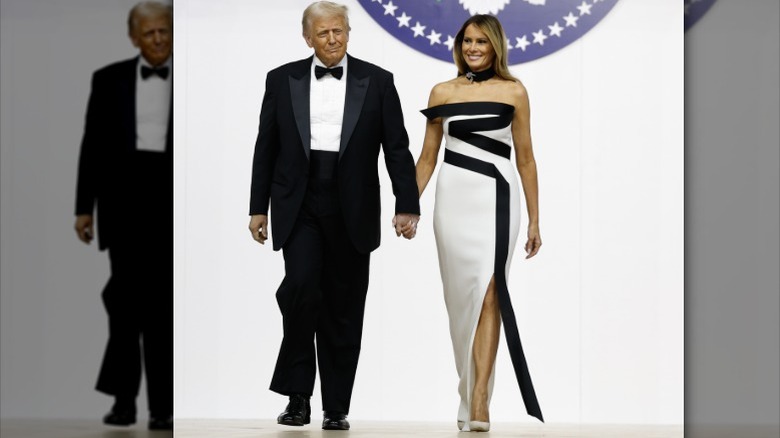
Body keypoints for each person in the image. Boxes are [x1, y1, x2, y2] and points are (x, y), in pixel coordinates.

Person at [247, 1, 420, 431]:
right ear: (307, 37)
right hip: (299, 201)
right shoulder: (280, 79)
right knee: (301, 292)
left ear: (348, 33)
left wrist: (407, 204)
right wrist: (257, 207)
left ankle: (336, 406)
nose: (332, 40)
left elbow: (397, 148)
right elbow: (265, 147)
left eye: (339, 31)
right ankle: (298, 397)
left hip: (353, 205)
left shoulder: (378, 81)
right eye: (323, 33)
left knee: (344, 306)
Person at [415, 14, 544, 432]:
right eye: (467, 41)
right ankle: (467, 387)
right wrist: (407, 206)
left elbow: (525, 157)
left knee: (491, 292)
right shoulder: (442, 92)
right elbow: (428, 157)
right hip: (453, 201)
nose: (473, 48)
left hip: (498, 199)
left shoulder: (514, 91)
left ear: (495, 47)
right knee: (460, 303)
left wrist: (535, 221)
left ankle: (480, 397)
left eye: (481, 42)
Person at [73, 1, 173, 431]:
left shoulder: (194, 78)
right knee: (125, 306)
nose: (157, 40)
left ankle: (164, 407)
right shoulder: (108, 78)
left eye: (164, 31)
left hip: (171, 203)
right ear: (134, 37)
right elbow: (91, 146)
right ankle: (124, 401)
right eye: (149, 33)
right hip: (123, 203)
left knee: (164, 311)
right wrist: (83, 207)